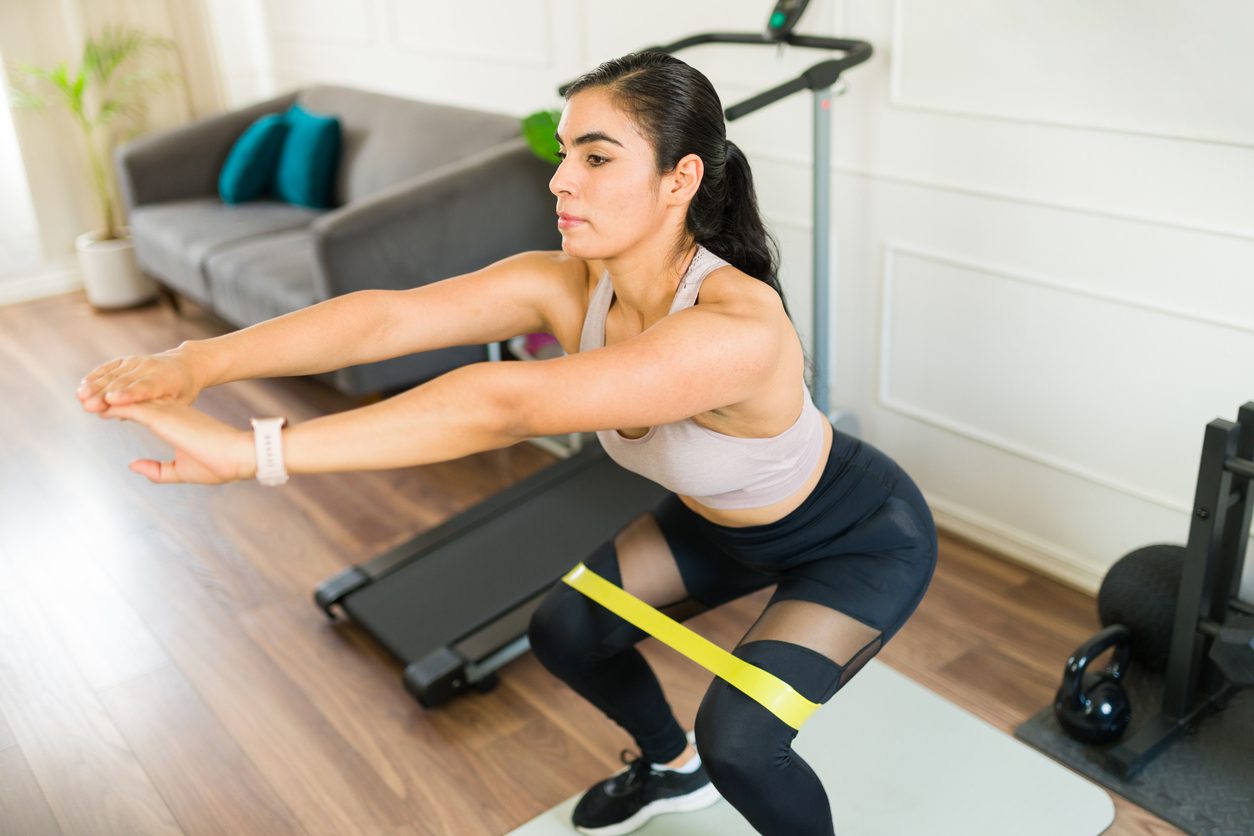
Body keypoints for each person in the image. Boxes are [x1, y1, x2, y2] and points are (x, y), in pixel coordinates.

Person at [77, 51, 937, 836]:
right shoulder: (565, 285)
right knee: (565, 630)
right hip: (718, 527)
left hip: (855, 539)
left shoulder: (734, 327)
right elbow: (385, 317)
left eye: (597, 158)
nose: (561, 179)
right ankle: (671, 771)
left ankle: (716, 766)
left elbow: (502, 404)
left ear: (681, 179)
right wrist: (196, 362)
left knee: (743, 743)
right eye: (564, 152)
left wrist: (252, 453)